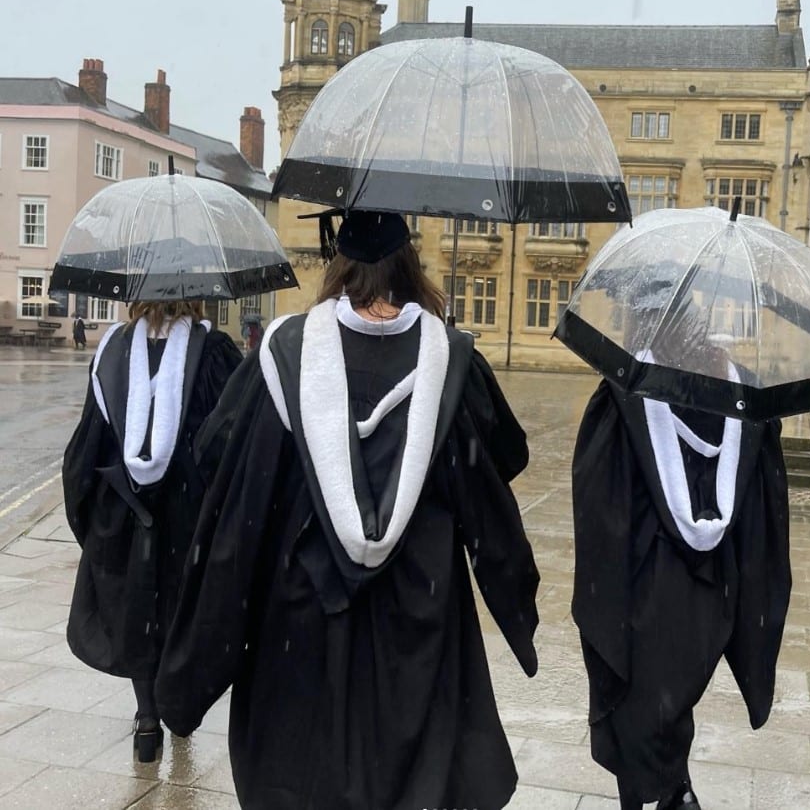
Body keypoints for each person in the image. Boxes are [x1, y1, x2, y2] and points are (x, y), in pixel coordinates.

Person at [155, 210, 540, 809]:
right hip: (421, 606)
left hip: (303, 609)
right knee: (412, 772)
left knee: (306, 765)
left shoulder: (283, 354)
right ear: (407, 262)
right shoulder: (451, 359)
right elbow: (503, 460)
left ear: (339, 263)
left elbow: (222, 470)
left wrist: (192, 668)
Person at [571, 294, 792, 810]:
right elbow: (764, 501)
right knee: (674, 694)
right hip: (708, 585)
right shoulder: (735, 392)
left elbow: (598, 498)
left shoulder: (625, 391)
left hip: (644, 578)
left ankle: (664, 792)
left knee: (638, 697)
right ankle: (675, 789)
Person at [62, 300, 243, 762]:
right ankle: (177, 707)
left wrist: (88, 517)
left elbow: (87, 445)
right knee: (181, 612)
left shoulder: (113, 351)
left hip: (125, 509)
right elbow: (230, 437)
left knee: (136, 608)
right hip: (188, 510)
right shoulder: (215, 351)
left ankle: (147, 722)